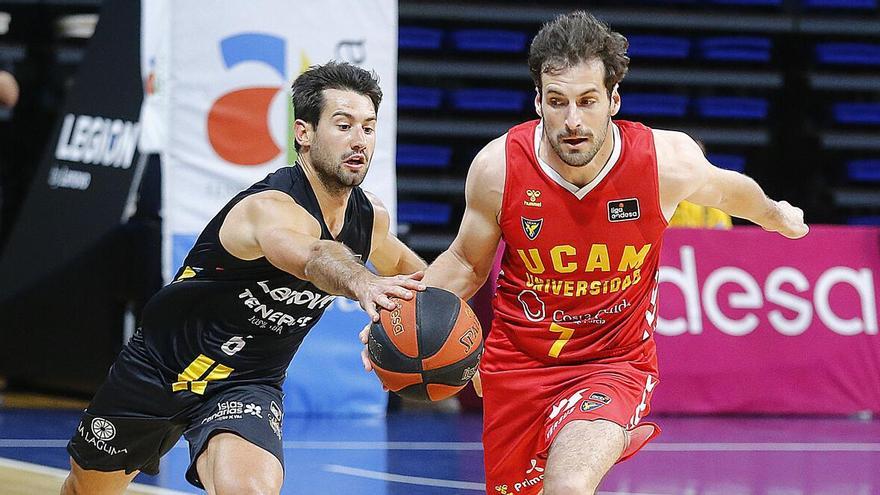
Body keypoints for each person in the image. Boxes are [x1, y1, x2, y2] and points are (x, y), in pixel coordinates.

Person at [362, 11, 807, 495]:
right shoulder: (499, 168)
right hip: (517, 368)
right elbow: (468, 264)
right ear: (538, 101)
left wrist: (774, 213)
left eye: (587, 101)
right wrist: (399, 314)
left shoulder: (663, 162)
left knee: (569, 484)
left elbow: (729, 192)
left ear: (614, 99)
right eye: (557, 102)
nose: (572, 120)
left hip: (613, 363)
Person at [62, 61, 426, 495]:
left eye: (368, 128)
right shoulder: (269, 207)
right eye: (343, 125)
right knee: (86, 491)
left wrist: (470, 341)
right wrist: (365, 283)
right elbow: (313, 256)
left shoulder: (370, 219)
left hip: (247, 383)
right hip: (159, 369)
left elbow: (418, 275)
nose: (358, 141)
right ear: (303, 133)